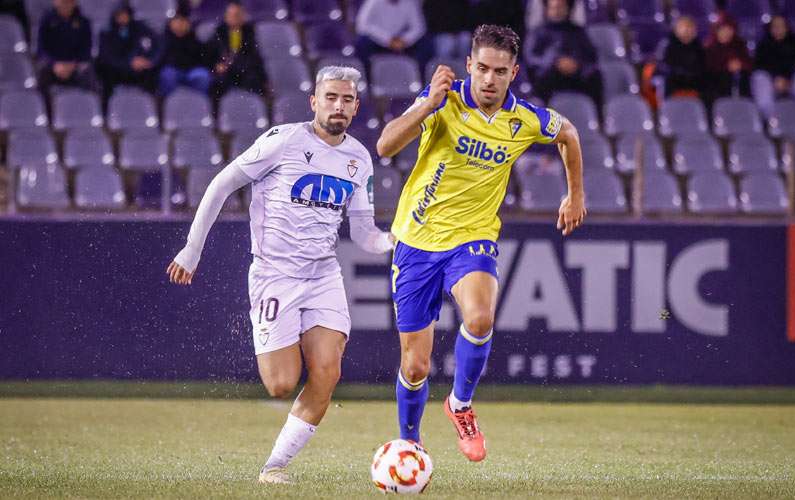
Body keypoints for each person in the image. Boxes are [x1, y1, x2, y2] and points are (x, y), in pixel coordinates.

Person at [167, 66, 394, 484]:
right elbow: (221, 184)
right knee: (280, 384)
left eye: (346, 99)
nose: (338, 106)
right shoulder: (283, 140)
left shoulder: (359, 159)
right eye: (330, 97)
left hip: (324, 276)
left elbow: (363, 232)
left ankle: (274, 468)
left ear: (356, 106)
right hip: (275, 275)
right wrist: (192, 248)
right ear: (314, 101)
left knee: (327, 372)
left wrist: (392, 242)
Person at [376, 24, 586, 462]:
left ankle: (460, 404)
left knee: (480, 316)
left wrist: (575, 194)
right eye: (483, 69)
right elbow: (385, 145)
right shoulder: (443, 102)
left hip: (473, 237)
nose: (490, 79)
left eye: (500, 71)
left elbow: (568, 134)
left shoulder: (524, 119)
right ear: (469, 66)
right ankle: (410, 442)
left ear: (514, 73)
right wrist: (427, 104)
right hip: (416, 241)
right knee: (415, 366)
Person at [525, 0, 602, 106]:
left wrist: (576, 65)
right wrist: (555, 63)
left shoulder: (578, 32)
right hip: (550, 75)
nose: (557, 11)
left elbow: (591, 57)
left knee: (595, 77)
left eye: (560, 7)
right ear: (547, 9)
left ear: (568, 9)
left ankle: (599, 119)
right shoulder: (537, 33)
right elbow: (531, 59)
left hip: (576, 75)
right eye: (553, 8)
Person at [97, 0, 162, 101]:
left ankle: (152, 108)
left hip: (138, 69)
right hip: (118, 69)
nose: (122, 17)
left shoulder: (140, 27)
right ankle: (107, 111)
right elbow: (106, 56)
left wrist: (149, 60)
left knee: (153, 75)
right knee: (104, 72)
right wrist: (129, 62)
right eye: (119, 14)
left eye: (125, 14)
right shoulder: (107, 32)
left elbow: (158, 43)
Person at [207, 1, 266, 99]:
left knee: (254, 80)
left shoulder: (249, 32)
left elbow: (254, 56)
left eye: (237, 15)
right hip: (226, 72)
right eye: (230, 15)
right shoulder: (219, 32)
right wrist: (217, 65)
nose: (233, 18)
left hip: (245, 70)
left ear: (243, 16)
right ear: (226, 16)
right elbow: (210, 54)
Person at [355, 0, 432, 74]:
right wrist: (387, 39)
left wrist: (404, 40)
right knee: (362, 42)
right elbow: (362, 25)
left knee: (425, 44)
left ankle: (421, 79)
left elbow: (419, 27)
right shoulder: (373, 2)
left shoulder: (409, 2)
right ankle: (367, 79)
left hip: (402, 42)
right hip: (379, 41)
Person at [36, 0, 96, 92]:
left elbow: (86, 49)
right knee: (42, 73)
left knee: (88, 73)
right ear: (55, 2)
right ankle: (45, 105)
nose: (66, 5)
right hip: (53, 65)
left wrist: (73, 64)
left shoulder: (84, 22)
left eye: (69, 2)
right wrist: (54, 64)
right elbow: (41, 49)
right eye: (63, 2)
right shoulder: (46, 21)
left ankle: (85, 104)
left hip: (75, 64)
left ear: (75, 3)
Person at [751, 15, 795, 117]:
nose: (778, 29)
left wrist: (787, 79)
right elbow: (760, 66)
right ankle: (770, 119)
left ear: (787, 27)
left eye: (781, 26)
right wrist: (776, 78)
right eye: (775, 26)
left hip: (792, 80)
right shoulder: (763, 45)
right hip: (772, 82)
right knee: (759, 77)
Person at [158, 6, 211, 96]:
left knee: (202, 76)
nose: (179, 24)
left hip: (191, 70)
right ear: (170, 23)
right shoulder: (163, 39)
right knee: (168, 75)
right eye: (176, 21)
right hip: (173, 70)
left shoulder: (195, 38)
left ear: (188, 23)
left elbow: (203, 58)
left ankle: (199, 106)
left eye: (183, 21)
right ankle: (167, 105)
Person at [655, 15, 706, 98]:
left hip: (694, 82)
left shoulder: (698, 47)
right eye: (683, 27)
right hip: (673, 81)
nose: (686, 30)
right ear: (676, 29)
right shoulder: (667, 45)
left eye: (690, 27)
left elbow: (702, 68)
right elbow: (662, 67)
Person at [704, 14, 752, 101]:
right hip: (716, 85)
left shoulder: (739, 45)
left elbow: (750, 64)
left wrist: (740, 65)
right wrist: (726, 67)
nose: (726, 32)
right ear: (716, 31)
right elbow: (708, 68)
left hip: (739, 82)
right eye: (722, 29)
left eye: (729, 29)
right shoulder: (709, 47)